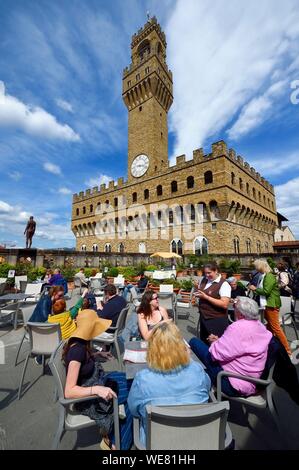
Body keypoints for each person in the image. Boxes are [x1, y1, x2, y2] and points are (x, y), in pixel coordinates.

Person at [128, 321, 211, 447]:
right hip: (196, 439)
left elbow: (134, 411)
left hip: (157, 443)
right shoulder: (197, 370)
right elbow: (207, 388)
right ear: (181, 346)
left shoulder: (143, 380)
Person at [63, 309, 133, 450]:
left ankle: (116, 429)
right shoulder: (77, 350)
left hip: (96, 381)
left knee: (132, 381)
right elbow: (69, 392)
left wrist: (96, 355)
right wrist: (97, 390)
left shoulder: (81, 342)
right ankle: (115, 444)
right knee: (134, 395)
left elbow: (83, 365)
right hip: (87, 399)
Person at [190, 297, 272, 397]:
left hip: (233, 383)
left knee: (194, 342)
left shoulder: (238, 327)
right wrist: (219, 341)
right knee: (205, 370)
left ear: (241, 314)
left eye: (235, 308)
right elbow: (240, 346)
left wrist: (214, 343)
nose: (233, 311)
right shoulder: (260, 326)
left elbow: (216, 354)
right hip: (252, 380)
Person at [248, 258, 291, 355]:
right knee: (270, 327)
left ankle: (287, 350)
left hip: (271, 304)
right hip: (268, 304)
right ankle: (271, 346)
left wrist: (254, 289)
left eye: (256, 266)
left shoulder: (269, 276)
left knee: (275, 328)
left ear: (261, 266)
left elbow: (266, 291)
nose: (255, 268)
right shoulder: (265, 276)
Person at [195, 262, 231, 344]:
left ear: (216, 271)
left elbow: (224, 304)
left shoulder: (224, 284)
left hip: (216, 319)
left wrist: (206, 297)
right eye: (205, 273)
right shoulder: (204, 280)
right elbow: (203, 292)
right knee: (205, 342)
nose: (207, 275)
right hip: (204, 317)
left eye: (209, 273)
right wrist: (197, 289)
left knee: (217, 344)